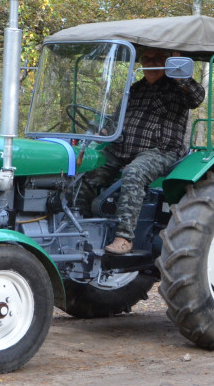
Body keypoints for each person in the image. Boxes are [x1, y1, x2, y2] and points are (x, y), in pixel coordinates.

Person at [84, 46, 206, 255]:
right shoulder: (135, 89)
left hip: (160, 152)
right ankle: (82, 225)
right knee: (86, 171)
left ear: (166, 62)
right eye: (146, 59)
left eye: (157, 58)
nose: (150, 63)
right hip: (123, 149)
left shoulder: (177, 89)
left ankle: (124, 238)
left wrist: (180, 75)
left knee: (134, 173)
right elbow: (115, 120)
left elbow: (197, 97)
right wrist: (101, 132)